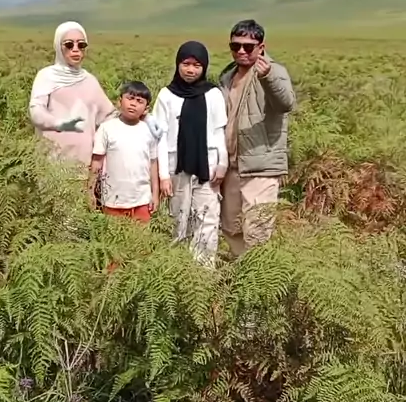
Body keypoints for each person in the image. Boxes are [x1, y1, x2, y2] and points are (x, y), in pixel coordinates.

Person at [219, 19, 295, 257]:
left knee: (257, 232)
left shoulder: (274, 71)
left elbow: (286, 103)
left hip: (260, 167)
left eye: (248, 46)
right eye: (235, 46)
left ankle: (257, 277)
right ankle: (241, 273)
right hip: (232, 166)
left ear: (261, 47)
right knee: (231, 227)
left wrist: (268, 77)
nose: (241, 51)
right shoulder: (227, 76)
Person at [153, 41, 228, 267]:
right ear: (178, 64)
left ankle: (203, 272)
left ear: (204, 67)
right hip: (176, 167)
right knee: (177, 218)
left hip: (208, 166)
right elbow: (160, 136)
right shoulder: (166, 95)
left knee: (207, 218)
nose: (190, 70)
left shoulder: (213, 94)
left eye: (197, 65)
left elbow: (219, 131)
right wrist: (163, 175)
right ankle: (177, 269)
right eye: (186, 64)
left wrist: (223, 163)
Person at [29, 21, 115, 168]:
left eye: (81, 45)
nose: (76, 50)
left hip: (85, 162)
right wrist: (60, 124)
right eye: (69, 45)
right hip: (52, 162)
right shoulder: (46, 76)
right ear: (58, 46)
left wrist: (138, 118)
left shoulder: (89, 81)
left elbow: (108, 116)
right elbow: (36, 111)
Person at [91, 81, 159, 223]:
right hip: (112, 200)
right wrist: (90, 191)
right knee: (113, 235)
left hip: (142, 200)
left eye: (139, 101)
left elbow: (153, 163)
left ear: (146, 109)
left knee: (140, 237)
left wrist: (155, 194)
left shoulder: (148, 131)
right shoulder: (106, 128)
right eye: (130, 98)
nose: (133, 104)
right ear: (119, 101)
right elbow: (97, 162)